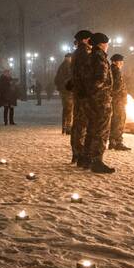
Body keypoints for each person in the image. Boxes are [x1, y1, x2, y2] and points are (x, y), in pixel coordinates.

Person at [75, 32, 115, 173]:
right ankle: (97, 161)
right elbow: (100, 79)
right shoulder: (99, 58)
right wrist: (97, 93)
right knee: (101, 130)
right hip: (100, 100)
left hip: (91, 100)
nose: (108, 46)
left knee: (92, 129)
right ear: (102, 44)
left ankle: (85, 159)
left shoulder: (90, 56)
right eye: (107, 43)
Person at [69, 32, 93, 162]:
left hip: (79, 92)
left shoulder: (78, 52)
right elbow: (85, 74)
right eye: (90, 39)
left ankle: (76, 152)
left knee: (78, 123)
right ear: (85, 40)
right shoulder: (83, 53)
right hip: (83, 93)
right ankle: (80, 153)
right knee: (81, 124)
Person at [108, 54, 131, 151]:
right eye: (120, 62)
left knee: (115, 120)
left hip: (115, 99)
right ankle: (118, 142)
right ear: (115, 62)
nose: (122, 64)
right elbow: (117, 86)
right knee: (119, 120)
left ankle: (113, 141)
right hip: (118, 100)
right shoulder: (115, 71)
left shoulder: (110, 70)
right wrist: (121, 94)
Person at [54, 53, 74, 135]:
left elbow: (56, 80)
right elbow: (71, 78)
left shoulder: (61, 66)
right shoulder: (68, 66)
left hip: (63, 91)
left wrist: (60, 87)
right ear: (69, 58)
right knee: (69, 109)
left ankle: (64, 127)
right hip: (68, 91)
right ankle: (68, 128)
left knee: (65, 109)